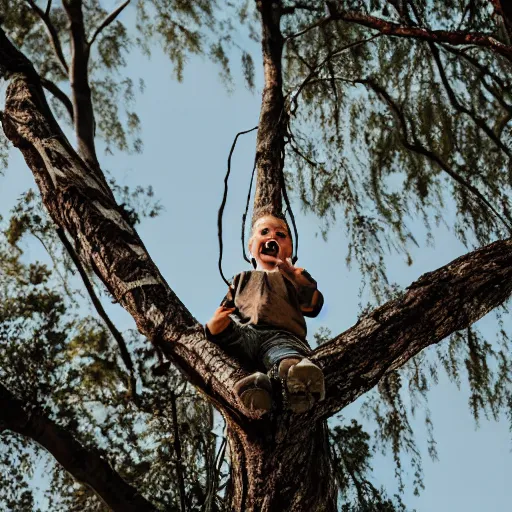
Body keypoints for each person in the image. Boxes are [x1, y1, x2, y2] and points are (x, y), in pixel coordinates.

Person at [205, 213, 325, 414]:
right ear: (251, 247)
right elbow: (227, 307)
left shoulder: (293, 276)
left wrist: (295, 277)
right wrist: (216, 325)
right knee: (231, 345)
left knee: (283, 355)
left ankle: (298, 379)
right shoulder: (241, 278)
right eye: (264, 232)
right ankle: (256, 390)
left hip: (281, 334)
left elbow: (312, 305)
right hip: (245, 333)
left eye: (281, 234)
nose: (273, 237)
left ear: (290, 249)